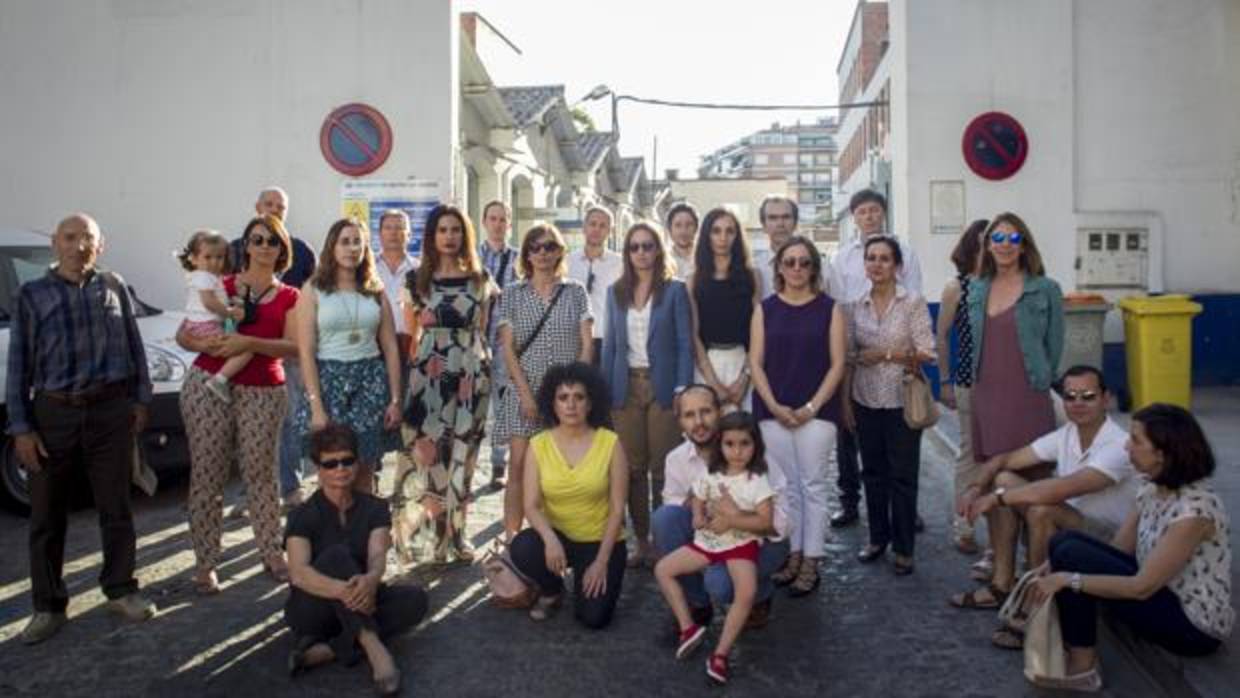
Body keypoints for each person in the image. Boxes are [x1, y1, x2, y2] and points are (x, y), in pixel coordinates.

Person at [10, 213, 157, 645]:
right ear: (55, 243)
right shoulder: (32, 295)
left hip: (110, 413)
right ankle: (48, 606)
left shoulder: (113, 286)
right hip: (53, 414)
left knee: (117, 508)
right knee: (46, 516)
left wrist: (141, 399)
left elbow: (134, 345)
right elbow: (18, 363)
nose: (79, 246)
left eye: (87, 238)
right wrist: (22, 427)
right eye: (70, 238)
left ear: (101, 244)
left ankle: (121, 589)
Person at [1028, 404, 1233, 693]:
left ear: (1163, 453)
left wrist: (1068, 578)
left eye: (1136, 440)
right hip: (1159, 594)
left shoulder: (1194, 510)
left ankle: (1081, 666)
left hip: (1191, 626)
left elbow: (1141, 588)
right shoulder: (1151, 487)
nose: (1127, 446)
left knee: (1073, 563)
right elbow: (1119, 550)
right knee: (1065, 545)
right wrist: (1057, 565)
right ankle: (1080, 659)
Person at [951, 367, 1139, 647]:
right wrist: (976, 487)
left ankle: (1035, 607)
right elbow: (1004, 460)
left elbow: (1062, 488)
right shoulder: (1067, 434)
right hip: (1071, 523)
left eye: (1088, 396)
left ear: (1106, 399)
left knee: (1041, 508)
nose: (1078, 403)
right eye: (1070, 396)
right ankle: (1002, 585)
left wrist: (996, 498)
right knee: (1003, 479)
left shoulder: (1119, 445)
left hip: (1109, 541)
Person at [177, 213, 300, 593]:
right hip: (206, 384)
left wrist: (250, 344)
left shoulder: (290, 296)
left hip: (263, 389)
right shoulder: (220, 283)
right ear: (245, 245)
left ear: (282, 250)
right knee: (207, 474)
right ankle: (206, 562)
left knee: (261, 475)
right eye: (257, 239)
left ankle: (271, 552)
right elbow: (184, 334)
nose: (264, 246)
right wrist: (207, 344)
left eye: (272, 241)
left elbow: (294, 347)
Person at [284, 424, 428, 696]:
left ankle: (329, 650)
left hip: (364, 597)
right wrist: (346, 592)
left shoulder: (374, 508)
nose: (340, 468)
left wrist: (372, 580)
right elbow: (299, 574)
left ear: (357, 461)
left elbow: (376, 556)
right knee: (336, 555)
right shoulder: (303, 514)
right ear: (318, 467)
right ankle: (374, 649)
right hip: (314, 607)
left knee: (417, 599)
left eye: (347, 460)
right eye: (331, 463)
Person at [392, 205, 496, 564]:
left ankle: (457, 535)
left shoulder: (480, 279)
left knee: (464, 455)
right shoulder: (414, 280)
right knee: (428, 454)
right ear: (432, 236)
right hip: (429, 375)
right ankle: (427, 539)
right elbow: (412, 336)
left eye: (455, 230)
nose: (449, 236)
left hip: (470, 372)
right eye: (442, 230)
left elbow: (481, 329)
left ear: (464, 235)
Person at [750, 235, 846, 595]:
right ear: (779, 268)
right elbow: (755, 363)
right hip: (772, 411)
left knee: (813, 485)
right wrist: (774, 405)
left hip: (817, 413)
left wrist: (810, 408)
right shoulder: (765, 309)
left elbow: (837, 365)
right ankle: (793, 553)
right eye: (789, 262)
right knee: (785, 488)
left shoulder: (830, 309)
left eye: (804, 262)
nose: (797, 269)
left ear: (814, 269)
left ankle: (813, 560)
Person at [651, 386, 790, 632]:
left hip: (761, 541)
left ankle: (760, 594)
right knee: (664, 519)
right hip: (711, 536)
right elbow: (674, 512)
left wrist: (737, 516)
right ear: (681, 421)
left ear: (720, 412)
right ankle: (697, 603)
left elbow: (781, 522)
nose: (699, 422)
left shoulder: (750, 452)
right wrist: (698, 503)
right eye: (689, 415)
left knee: (721, 585)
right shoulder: (676, 459)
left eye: (706, 412)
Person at [828, 188, 924, 529]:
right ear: (853, 217)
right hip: (855, 348)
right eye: (862, 211)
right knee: (849, 433)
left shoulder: (905, 253)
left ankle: (905, 511)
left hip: (896, 354)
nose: (868, 216)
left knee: (900, 446)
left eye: (874, 210)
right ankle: (850, 501)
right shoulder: (841, 258)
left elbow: (913, 298)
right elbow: (838, 304)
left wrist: (903, 351)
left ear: (883, 213)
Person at [601, 222, 694, 567]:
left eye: (647, 246)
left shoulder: (675, 291)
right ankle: (642, 540)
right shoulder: (615, 292)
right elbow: (610, 346)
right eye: (634, 247)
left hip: (664, 387)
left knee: (662, 467)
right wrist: (606, 393)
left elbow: (686, 344)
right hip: (625, 387)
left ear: (658, 250)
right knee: (633, 469)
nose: (641, 253)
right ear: (627, 253)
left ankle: (664, 537)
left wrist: (683, 388)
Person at [509, 362, 629, 629]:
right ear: (552, 404)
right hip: (559, 540)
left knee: (593, 619)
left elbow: (618, 510)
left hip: (601, 542)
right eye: (563, 398)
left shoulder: (610, 443)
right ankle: (552, 590)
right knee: (523, 546)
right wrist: (550, 539)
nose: (571, 405)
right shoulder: (538, 445)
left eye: (579, 397)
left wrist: (600, 562)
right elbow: (530, 505)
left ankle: (587, 579)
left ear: (590, 403)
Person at [493, 224, 593, 539]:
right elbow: (508, 349)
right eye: (535, 247)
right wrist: (526, 396)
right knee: (519, 469)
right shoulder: (512, 293)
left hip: (566, 396)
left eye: (549, 247)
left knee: (560, 471)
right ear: (526, 254)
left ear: (559, 251)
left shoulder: (575, 291)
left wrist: (576, 391)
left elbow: (586, 344)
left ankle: (559, 537)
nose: (542, 253)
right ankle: (512, 540)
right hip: (526, 393)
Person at [845, 235, 935, 576]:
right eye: (871, 258)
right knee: (872, 474)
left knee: (903, 476)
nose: (877, 264)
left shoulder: (912, 303)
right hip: (865, 399)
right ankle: (877, 538)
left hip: (901, 401)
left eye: (884, 259)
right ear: (864, 264)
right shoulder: (856, 306)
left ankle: (903, 547)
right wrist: (846, 404)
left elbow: (927, 351)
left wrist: (886, 355)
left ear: (897, 266)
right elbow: (850, 356)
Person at [293, 218, 403, 495]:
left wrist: (395, 400)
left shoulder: (375, 291)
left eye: (357, 242)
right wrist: (316, 406)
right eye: (345, 241)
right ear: (332, 247)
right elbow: (305, 350)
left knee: (364, 469)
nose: (351, 248)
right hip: (330, 383)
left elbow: (390, 347)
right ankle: (333, 536)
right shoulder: (313, 289)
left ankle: (362, 534)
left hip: (369, 381)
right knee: (333, 471)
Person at [228, 186, 317, 511]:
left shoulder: (302, 251)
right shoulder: (236, 249)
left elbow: (314, 295)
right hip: (248, 349)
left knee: (290, 419)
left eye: (280, 206)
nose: (274, 210)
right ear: (256, 207)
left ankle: (291, 488)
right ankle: (249, 493)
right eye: (268, 204)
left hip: (289, 348)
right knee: (247, 422)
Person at [967, 213, 1064, 471]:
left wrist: (1042, 378)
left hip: (1029, 393)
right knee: (993, 476)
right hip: (987, 394)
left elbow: (1054, 347)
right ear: (988, 245)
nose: (1005, 244)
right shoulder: (975, 289)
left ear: (1023, 246)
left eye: (1013, 238)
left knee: (1033, 471)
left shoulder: (1047, 289)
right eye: (997, 237)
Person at [935, 219, 989, 553]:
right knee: (971, 455)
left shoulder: (1008, 285)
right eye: (982, 242)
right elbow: (941, 336)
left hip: (1005, 385)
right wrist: (944, 381)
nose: (990, 249)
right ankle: (964, 526)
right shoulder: (957, 288)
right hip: (969, 381)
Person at [687, 207, 761, 412]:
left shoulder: (752, 276)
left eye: (730, 231)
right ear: (706, 236)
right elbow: (693, 334)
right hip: (707, 364)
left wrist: (746, 377)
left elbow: (758, 331)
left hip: (744, 362)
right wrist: (713, 383)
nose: (723, 237)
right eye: (716, 231)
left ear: (737, 236)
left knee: (745, 433)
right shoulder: (694, 280)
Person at [176, 229, 250, 402]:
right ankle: (219, 380)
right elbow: (209, 302)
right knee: (244, 349)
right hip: (206, 325)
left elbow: (215, 299)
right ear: (194, 258)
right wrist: (229, 313)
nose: (214, 262)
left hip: (198, 324)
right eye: (208, 257)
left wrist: (232, 303)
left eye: (219, 257)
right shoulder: (204, 277)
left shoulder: (204, 277)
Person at [477, 200, 520, 486]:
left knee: (503, 403)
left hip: (505, 343)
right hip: (476, 341)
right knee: (474, 404)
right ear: (484, 222)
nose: (497, 224)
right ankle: (466, 458)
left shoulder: (519, 259)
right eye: (492, 218)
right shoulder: (470, 256)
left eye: (503, 219)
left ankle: (498, 463)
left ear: (509, 224)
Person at [567, 206, 623, 364]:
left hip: (605, 339)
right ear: (584, 227)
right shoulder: (567, 262)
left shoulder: (620, 264)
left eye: (602, 225)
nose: (596, 229)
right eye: (592, 224)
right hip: (573, 338)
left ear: (610, 232)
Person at [374, 209, 419, 366]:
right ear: (379, 234)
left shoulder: (419, 270)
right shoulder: (369, 269)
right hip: (375, 345)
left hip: (410, 345)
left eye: (399, 228)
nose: (393, 233)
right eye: (388, 228)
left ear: (409, 235)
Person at [751, 195, 799, 300]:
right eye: (773, 218)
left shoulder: (818, 265)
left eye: (786, 217)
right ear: (763, 225)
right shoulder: (754, 268)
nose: (780, 224)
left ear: (795, 223)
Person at [666, 201, 699, 281]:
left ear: (696, 228)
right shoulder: (664, 259)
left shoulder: (705, 256)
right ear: (670, 229)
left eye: (689, 225)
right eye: (678, 225)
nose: (683, 231)